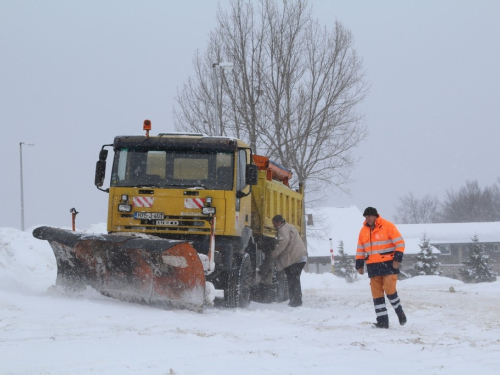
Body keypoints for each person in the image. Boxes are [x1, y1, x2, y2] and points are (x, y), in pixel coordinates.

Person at [356, 207, 407, 328]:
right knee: (377, 295)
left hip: (389, 264)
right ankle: (382, 321)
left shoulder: (388, 226)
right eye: (365, 217)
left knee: (390, 291)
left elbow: (400, 243)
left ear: (375, 216)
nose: (367, 219)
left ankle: (399, 312)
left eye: (368, 216)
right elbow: (360, 249)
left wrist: (397, 259)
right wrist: (359, 264)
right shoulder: (363, 231)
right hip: (373, 266)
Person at [261, 215, 308, 307]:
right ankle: (295, 300)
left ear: (279, 222)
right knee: (294, 279)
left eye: (274, 223)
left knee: (293, 279)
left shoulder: (283, 230)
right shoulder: (289, 227)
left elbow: (283, 242)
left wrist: (274, 253)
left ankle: (296, 301)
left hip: (296, 258)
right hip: (300, 257)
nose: (273, 226)